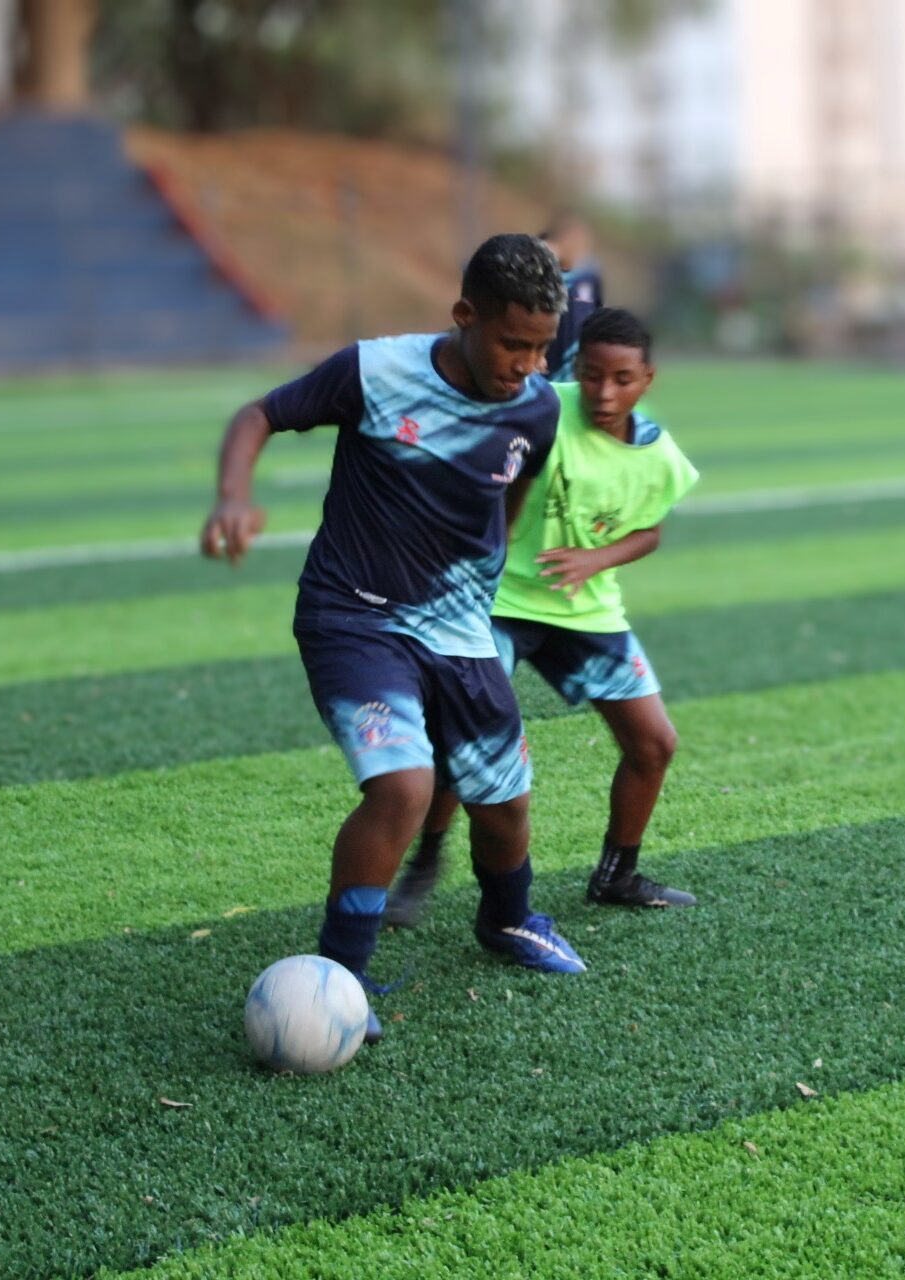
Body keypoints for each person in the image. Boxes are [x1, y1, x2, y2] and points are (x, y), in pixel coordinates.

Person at [200, 234, 586, 1046]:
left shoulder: (539, 406)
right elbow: (260, 413)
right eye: (513, 342)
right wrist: (233, 496)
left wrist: (483, 581)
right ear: (464, 316)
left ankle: (508, 921)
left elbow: (505, 498)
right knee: (405, 787)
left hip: (458, 627)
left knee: (505, 799)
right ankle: (343, 972)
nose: (527, 362)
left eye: (542, 346)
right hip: (354, 614)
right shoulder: (374, 373)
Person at [386, 306, 699, 929]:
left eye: (621, 379)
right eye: (590, 375)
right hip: (499, 604)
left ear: (647, 379)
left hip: (586, 612)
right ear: (573, 370)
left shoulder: (658, 453)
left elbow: (650, 532)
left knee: (655, 743)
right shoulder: (538, 408)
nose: (603, 393)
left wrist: (596, 558)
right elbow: (484, 482)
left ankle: (617, 875)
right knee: (460, 737)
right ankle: (424, 863)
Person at [540, 213, 604, 382]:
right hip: (547, 365)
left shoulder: (589, 275)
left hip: (578, 367)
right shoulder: (541, 274)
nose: (577, 247)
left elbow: (597, 313)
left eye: (581, 242)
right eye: (571, 240)